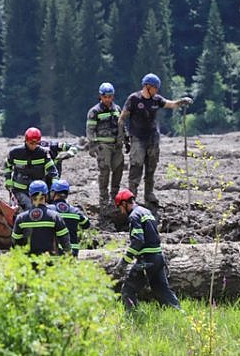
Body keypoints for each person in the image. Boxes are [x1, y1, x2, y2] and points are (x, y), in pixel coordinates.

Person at [118, 73, 192, 205]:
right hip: (137, 139)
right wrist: (124, 137)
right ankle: (132, 195)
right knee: (136, 167)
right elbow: (122, 118)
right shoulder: (133, 99)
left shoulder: (156, 99)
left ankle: (149, 194)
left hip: (152, 138)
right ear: (147, 87)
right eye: (155, 88)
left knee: (151, 167)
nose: (157, 90)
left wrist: (182, 102)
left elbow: (171, 104)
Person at [113, 188, 181, 311]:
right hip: (158, 257)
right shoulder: (147, 212)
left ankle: (134, 317)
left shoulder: (134, 216)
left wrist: (124, 262)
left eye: (120, 207)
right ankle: (179, 314)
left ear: (124, 203)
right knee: (162, 290)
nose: (121, 211)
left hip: (146, 261)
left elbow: (138, 241)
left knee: (128, 290)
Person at [86, 82, 124, 212]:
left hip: (117, 145)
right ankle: (103, 197)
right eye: (105, 96)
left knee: (118, 170)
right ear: (100, 96)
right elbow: (90, 130)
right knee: (104, 171)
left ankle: (115, 196)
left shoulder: (117, 109)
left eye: (110, 96)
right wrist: (92, 145)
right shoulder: (94, 111)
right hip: (103, 146)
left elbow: (122, 126)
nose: (107, 99)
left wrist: (126, 140)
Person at [4, 128, 59, 211]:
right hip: (20, 190)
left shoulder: (43, 153)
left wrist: (55, 183)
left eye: (36, 143)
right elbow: (8, 166)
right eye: (31, 143)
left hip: (38, 190)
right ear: (26, 140)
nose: (33, 146)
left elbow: (52, 170)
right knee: (28, 207)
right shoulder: (15, 153)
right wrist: (8, 180)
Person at [11, 180, 71, 256]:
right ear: (46, 196)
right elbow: (65, 241)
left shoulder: (21, 218)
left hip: (28, 264)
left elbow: (15, 242)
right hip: (50, 264)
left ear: (30, 196)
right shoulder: (54, 216)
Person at [47, 180, 90, 257]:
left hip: (56, 250)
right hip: (73, 251)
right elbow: (86, 224)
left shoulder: (49, 210)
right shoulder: (75, 210)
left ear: (53, 193)